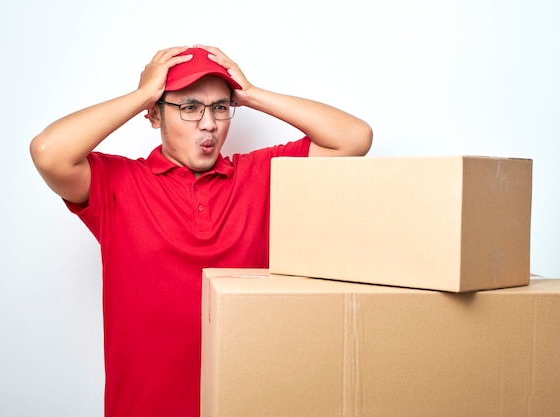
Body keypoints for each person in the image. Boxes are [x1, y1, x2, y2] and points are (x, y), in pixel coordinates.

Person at [30, 44, 372, 417]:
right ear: (155, 116)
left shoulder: (258, 175)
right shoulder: (119, 183)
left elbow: (353, 138)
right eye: (189, 107)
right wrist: (143, 94)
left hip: (243, 404)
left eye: (220, 108)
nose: (208, 123)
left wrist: (252, 95)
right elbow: (48, 151)